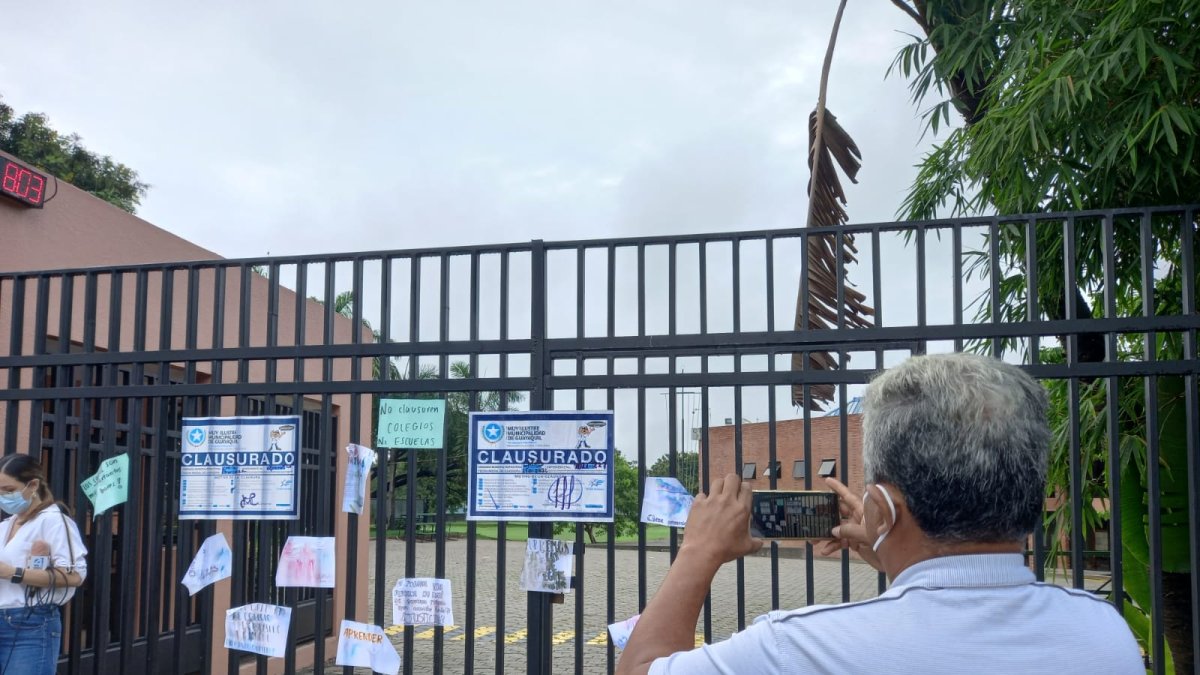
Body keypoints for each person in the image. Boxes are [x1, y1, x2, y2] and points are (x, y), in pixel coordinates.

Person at [617, 353, 1143, 674]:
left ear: (883, 507)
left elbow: (640, 670)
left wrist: (697, 551)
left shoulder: (799, 647)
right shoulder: (1104, 633)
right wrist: (894, 553)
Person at [0, 454, 88, 675]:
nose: (3, 496)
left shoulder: (54, 521)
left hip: (30, 622)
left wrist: (12, 573)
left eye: (9, 490)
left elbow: (75, 575)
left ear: (33, 485)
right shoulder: (6, 525)